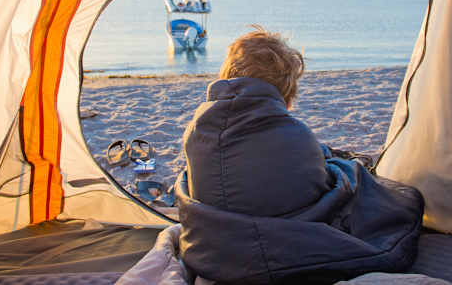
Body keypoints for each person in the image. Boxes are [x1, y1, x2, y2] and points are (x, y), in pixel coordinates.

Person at [175, 26, 425, 284]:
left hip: (213, 250)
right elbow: (319, 199)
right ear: (286, 89)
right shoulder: (295, 135)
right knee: (364, 183)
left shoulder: (196, 130)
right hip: (271, 252)